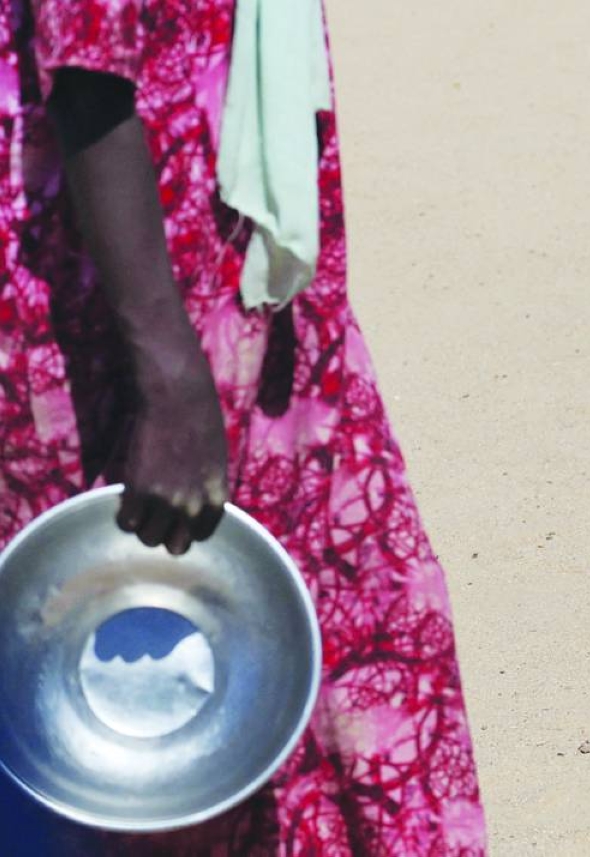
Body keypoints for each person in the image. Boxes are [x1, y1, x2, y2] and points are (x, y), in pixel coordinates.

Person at [0, 2, 486, 854]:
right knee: (140, 707)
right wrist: (169, 373)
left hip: (247, 303)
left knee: (332, 657)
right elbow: (88, 68)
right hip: (137, 317)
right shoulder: (160, 360)